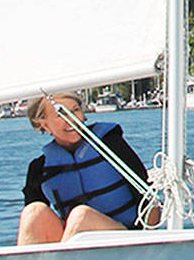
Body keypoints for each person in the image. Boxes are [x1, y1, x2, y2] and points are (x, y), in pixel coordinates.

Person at [17, 92, 155, 245]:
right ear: (44, 125)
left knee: (81, 215)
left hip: (123, 238)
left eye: (75, 110)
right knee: (33, 212)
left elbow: (149, 198)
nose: (72, 119)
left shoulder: (110, 145)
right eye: (60, 114)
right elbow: (35, 225)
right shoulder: (39, 168)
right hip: (77, 245)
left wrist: (148, 244)